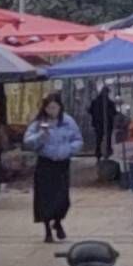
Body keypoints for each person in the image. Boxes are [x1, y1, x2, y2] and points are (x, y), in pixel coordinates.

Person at [23, 95, 84, 243]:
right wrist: (41, 136)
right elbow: (28, 141)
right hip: (45, 164)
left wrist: (68, 150)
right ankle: (47, 230)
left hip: (62, 164)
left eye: (55, 107)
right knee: (45, 198)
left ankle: (57, 221)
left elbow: (77, 140)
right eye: (49, 108)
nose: (52, 111)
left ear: (60, 107)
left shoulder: (68, 122)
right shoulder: (39, 123)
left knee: (62, 199)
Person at [89, 85, 119, 161]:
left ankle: (99, 154)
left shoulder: (95, 102)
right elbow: (114, 113)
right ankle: (107, 153)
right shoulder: (110, 103)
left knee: (99, 139)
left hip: (98, 123)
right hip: (106, 123)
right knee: (107, 139)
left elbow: (90, 111)